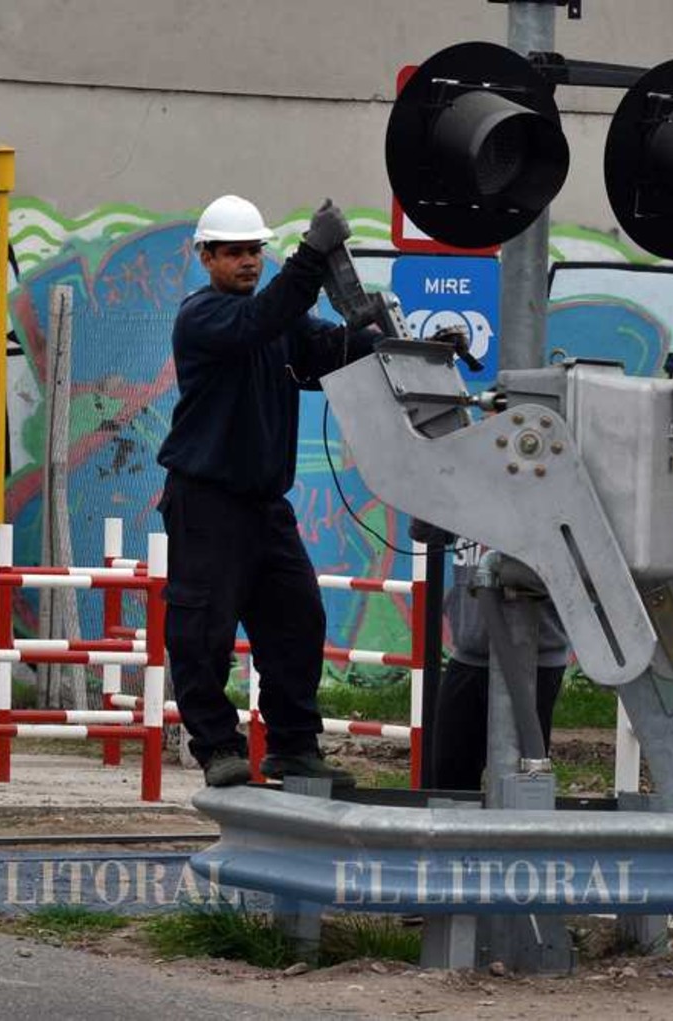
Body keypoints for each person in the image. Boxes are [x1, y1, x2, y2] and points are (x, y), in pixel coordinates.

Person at [156, 194, 381, 788]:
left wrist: (398, 341)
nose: (248, 261)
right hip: (206, 501)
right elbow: (262, 320)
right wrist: (311, 254)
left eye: (255, 250)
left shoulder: (278, 324)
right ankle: (217, 748)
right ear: (206, 257)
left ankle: (292, 748)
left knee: (297, 621)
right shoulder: (204, 317)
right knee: (202, 628)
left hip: (264, 506)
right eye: (233, 252)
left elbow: (330, 349)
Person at [412, 522, 570, 791]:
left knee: (522, 777)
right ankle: (460, 833)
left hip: (535, 658)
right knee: (449, 773)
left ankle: (516, 832)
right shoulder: (468, 488)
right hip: (469, 654)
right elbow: (425, 531)